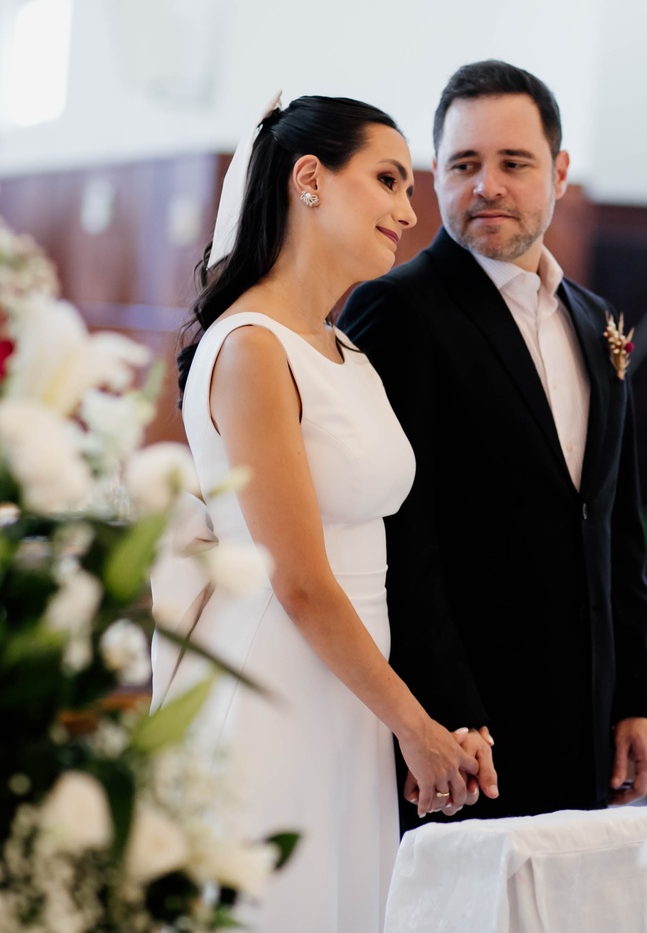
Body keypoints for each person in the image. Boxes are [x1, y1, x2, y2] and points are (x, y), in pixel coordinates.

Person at [154, 94, 495, 933]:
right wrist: (415, 726)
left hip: (354, 695)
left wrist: (417, 721)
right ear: (309, 178)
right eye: (387, 180)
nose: (408, 210)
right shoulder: (252, 348)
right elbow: (301, 581)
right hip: (277, 683)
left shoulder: (345, 352)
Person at [340, 61, 647, 827]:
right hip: (466, 736)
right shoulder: (398, 312)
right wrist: (446, 712)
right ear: (436, 176)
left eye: (513, 163)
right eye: (463, 165)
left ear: (559, 172)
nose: (486, 186)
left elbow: (617, 528)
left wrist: (637, 696)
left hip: (588, 723)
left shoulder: (597, 321)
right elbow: (400, 538)